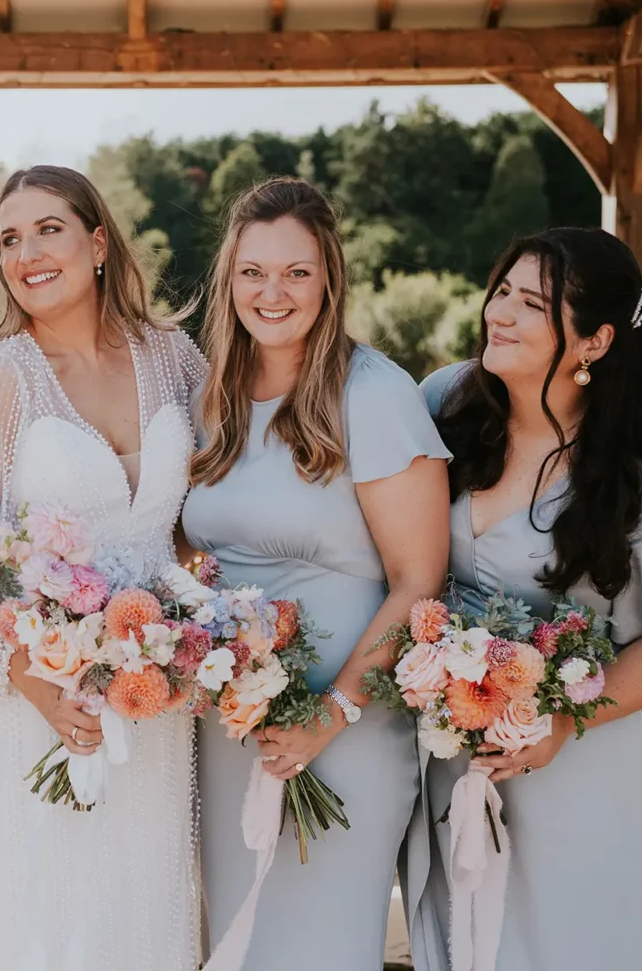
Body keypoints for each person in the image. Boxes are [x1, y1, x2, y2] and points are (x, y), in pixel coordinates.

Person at [413, 227, 642, 971]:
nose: (500, 312)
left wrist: (561, 717)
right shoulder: (446, 401)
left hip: (584, 773)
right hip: (452, 762)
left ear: (595, 342)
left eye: (531, 303)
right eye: (502, 290)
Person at [0, 165, 207, 971]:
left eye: (47, 229)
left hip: (154, 696)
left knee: (144, 907)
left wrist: (185, 628)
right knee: (42, 921)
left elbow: (201, 521)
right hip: (33, 703)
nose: (26, 253)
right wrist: (36, 677)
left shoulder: (174, 359)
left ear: (95, 242)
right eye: (8, 239)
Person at [183, 176, 450, 969]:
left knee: (319, 942)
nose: (273, 293)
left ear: (330, 278)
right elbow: (194, 548)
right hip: (232, 720)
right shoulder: (215, 394)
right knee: (236, 935)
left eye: (297, 272)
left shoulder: (373, 395)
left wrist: (327, 716)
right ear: (229, 278)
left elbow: (418, 582)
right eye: (253, 272)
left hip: (347, 726)